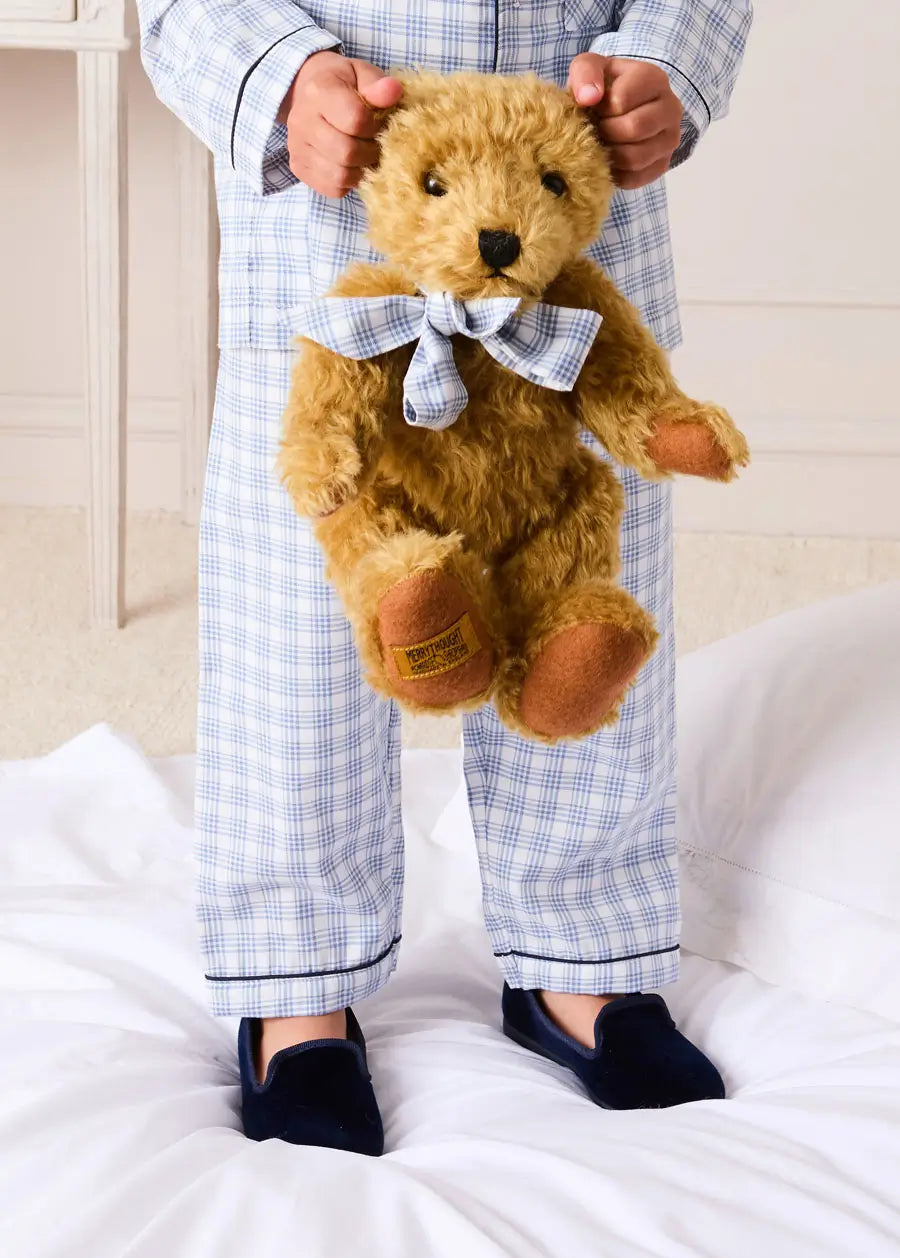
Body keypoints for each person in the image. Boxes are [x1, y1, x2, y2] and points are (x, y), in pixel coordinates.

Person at [138, 0, 752, 1154]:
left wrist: (666, 68)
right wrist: (282, 81)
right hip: (326, 260)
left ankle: (584, 950)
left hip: (572, 266)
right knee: (301, 650)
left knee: (583, 618)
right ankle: (298, 977)